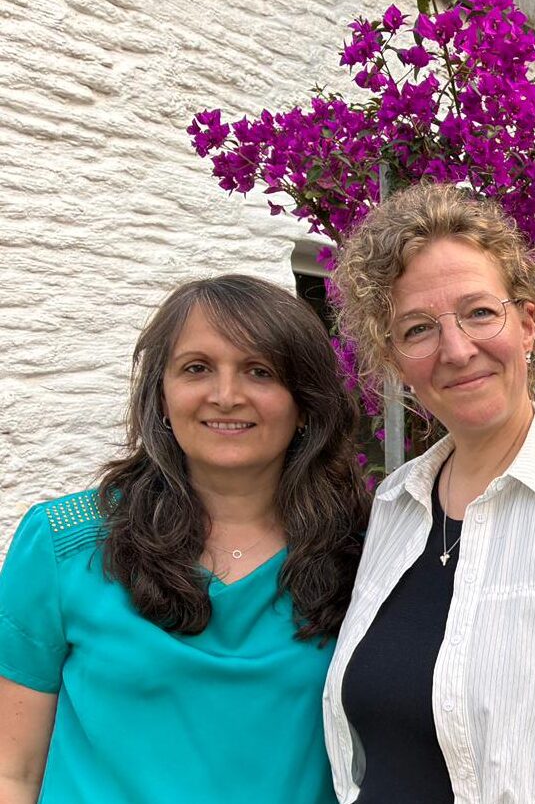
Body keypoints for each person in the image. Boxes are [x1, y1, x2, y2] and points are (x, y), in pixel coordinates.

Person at [323, 182, 535, 804]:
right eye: (418, 329)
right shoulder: (395, 506)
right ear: (394, 358)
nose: (457, 350)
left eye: (480, 313)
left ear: (528, 323)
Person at [0, 274, 367, 804]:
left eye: (259, 371)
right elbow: (13, 770)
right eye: (197, 368)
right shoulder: (64, 542)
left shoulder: (363, 552)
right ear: (162, 394)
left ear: (305, 402)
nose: (225, 396)